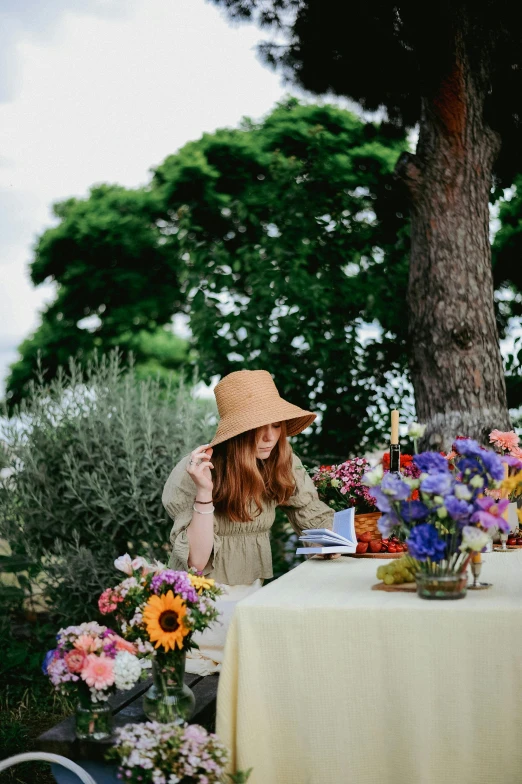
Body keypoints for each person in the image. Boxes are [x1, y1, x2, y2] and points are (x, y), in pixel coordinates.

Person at [162, 369, 338, 675]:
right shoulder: (198, 470)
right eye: (259, 427)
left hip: (253, 601)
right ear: (239, 432)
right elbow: (196, 562)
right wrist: (205, 492)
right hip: (201, 609)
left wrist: (338, 543)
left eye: (276, 424)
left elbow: (312, 517)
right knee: (287, 649)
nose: (270, 436)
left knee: (319, 636)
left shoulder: (280, 459)